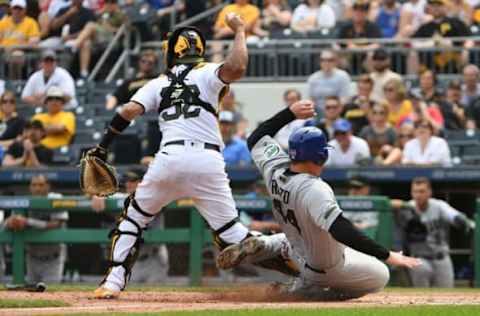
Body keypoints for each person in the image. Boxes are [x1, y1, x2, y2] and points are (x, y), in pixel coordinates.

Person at [91, 15, 299, 299]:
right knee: (231, 232)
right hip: (207, 161)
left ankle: (112, 283)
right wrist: (239, 30)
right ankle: (304, 269)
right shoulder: (208, 72)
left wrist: (102, 147)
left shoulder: (158, 82)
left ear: (172, 51)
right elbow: (237, 66)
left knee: (133, 219)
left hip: (169, 159)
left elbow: (126, 111)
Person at [217, 99, 420, 301]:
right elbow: (341, 229)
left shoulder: (275, 167)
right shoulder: (315, 189)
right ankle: (309, 290)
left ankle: (266, 244)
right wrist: (387, 255)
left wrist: (290, 113)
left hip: (297, 249)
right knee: (380, 276)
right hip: (323, 268)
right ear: (322, 156)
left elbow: (256, 137)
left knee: (304, 237)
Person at [391, 177, 475, 288]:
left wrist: (461, 220)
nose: (418, 195)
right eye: (415, 192)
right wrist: (392, 204)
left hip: (441, 257)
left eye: (422, 191)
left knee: (447, 296)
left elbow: (454, 216)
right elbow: (387, 206)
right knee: (422, 296)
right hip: (419, 259)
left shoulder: (439, 205)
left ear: (429, 192)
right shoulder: (406, 208)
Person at [91, 169, 169, 284]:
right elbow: (97, 192)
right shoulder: (121, 198)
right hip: (132, 261)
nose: (128, 184)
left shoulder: (154, 195)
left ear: (143, 182)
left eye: (133, 180)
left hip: (154, 259)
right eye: (127, 181)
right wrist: (98, 195)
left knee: (157, 297)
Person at [4, 175, 68, 283]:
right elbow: (12, 221)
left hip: (53, 259)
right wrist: (10, 222)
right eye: (34, 185)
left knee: (50, 294)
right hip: (32, 258)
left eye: (41, 185)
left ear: (48, 186)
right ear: (30, 187)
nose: (37, 188)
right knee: (32, 293)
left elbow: (57, 224)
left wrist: (28, 222)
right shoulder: (25, 201)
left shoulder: (56, 198)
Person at [65, 0, 127, 80]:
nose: (108, 5)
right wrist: (101, 12)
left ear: (115, 4)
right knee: (86, 43)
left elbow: (125, 31)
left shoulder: (120, 14)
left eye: (111, 3)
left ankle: (75, 45)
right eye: (107, 3)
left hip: (112, 39)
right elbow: (96, 23)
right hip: (100, 39)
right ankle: (84, 73)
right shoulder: (104, 14)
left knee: (90, 25)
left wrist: (110, 28)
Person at [412, 0, 473, 73]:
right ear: (428, 8)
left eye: (439, 5)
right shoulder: (424, 27)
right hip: (429, 68)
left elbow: (469, 39)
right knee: (412, 53)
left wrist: (464, 50)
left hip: (454, 61)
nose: (435, 8)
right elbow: (413, 43)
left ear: (446, 6)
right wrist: (432, 43)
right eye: (432, 5)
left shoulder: (455, 22)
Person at [0, 0, 40, 79]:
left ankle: (14, 86)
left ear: (25, 10)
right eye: (15, 8)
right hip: (3, 51)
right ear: (11, 9)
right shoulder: (3, 22)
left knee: (17, 55)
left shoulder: (30, 22)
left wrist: (15, 47)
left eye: (20, 9)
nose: (17, 11)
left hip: (22, 52)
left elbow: (34, 42)